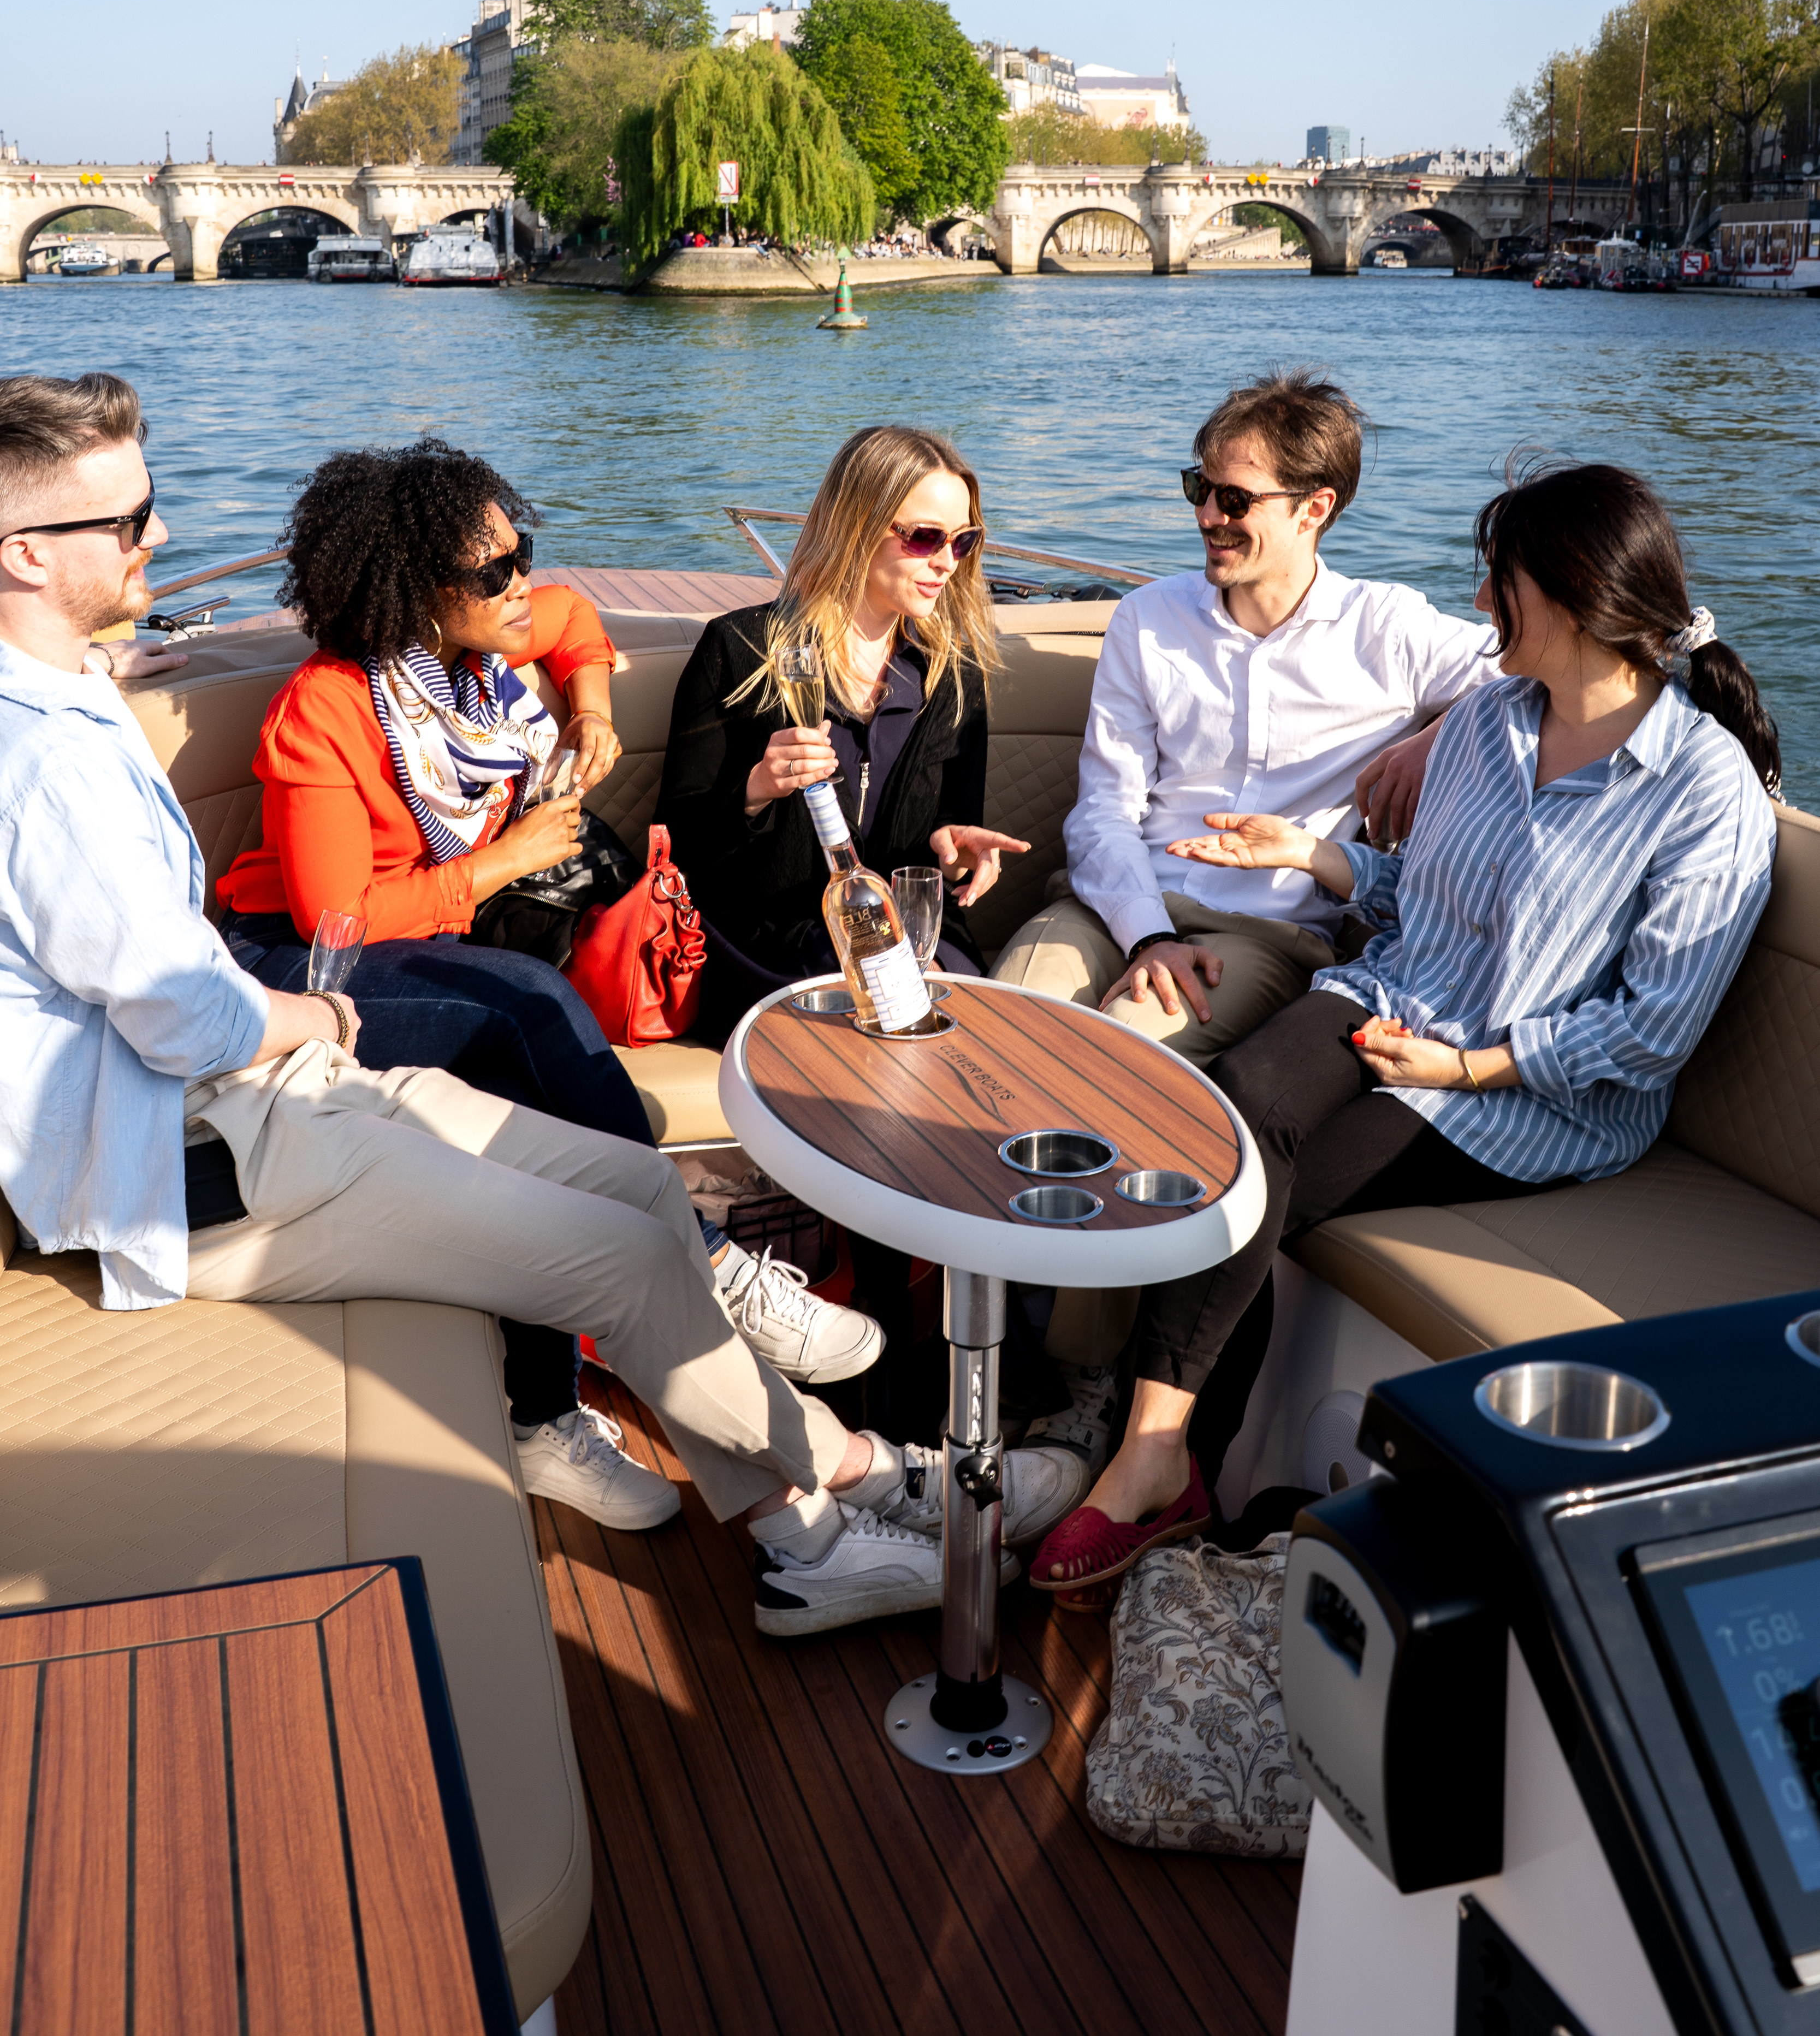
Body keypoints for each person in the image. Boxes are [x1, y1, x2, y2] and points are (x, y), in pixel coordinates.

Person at [0, 370, 1086, 1636]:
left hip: (253, 1104)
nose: (162, 537)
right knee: (610, 1207)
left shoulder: (71, 686)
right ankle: (836, 1507)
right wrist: (310, 1016)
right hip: (186, 1163)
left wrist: (581, 701)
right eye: (131, 524)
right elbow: (188, 1014)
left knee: (636, 1193)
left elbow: (564, 619)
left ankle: (822, 1491)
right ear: (26, 552)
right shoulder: (46, 760)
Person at [1031, 460, 1781, 1599]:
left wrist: (1466, 1064)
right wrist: (1314, 856)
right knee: (1234, 1110)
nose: (1481, 606)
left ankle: (1144, 1460)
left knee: (1268, 1172)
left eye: (1499, 582)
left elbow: (1649, 1033)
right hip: (1395, 998)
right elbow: (1418, 906)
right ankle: (1159, 1463)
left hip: (1529, 1093)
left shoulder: (1701, 789)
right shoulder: (1488, 717)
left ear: (1575, 594)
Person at [211, 434, 880, 1526]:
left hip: (436, 931)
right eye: (492, 574)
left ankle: (547, 1405)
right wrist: (503, 862)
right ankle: (690, 1276)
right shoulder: (328, 711)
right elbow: (343, 915)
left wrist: (595, 707)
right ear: (412, 595)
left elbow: (573, 623)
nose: (522, 582)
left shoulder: (484, 657)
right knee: (526, 1012)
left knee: (519, 1019)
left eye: (522, 551)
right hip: (300, 965)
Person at [992, 369, 1503, 1066]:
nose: (1207, 516)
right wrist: (1146, 935)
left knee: (1114, 1055)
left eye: (1234, 499)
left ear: (1313, 507)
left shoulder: (1388, 630)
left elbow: (1548, 665)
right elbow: (1104, 809)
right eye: (1198, 488)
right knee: (1004, 1027)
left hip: (1265, 934)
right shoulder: (1147, 619)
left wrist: (1438, 732)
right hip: (1113, 908)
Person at [657, 423, 1030, 1034]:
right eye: (925, 537)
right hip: (769, 940)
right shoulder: (740, 650)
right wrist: (754, 790)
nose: (946, 562)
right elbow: (680, 846)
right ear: (858, 527)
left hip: (905, 941)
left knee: (974, 1023)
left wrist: (956, 856)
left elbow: (939, 848)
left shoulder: (952, 678)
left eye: (963, 540)